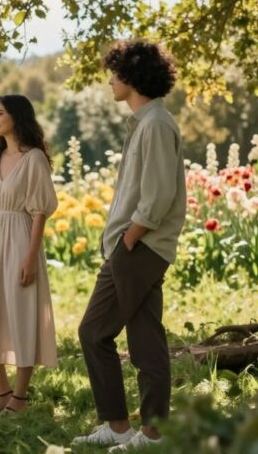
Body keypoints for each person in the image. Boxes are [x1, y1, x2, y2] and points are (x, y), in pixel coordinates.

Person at [73, 40, 187, 451]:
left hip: (140, 248)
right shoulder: (144, 122)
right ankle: (120, 426)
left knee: (140, 341)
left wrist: (128, 241)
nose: (109, 80)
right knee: (97, 332)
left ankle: (152, 433)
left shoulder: (156, 125)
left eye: (115, 73)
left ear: (133, 77)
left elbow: (156, 197)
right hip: (130, 248)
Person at [0, 95, 58, 414]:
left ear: (17, 116)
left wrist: (30, 257)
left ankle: (20, 397)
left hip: (20, 238)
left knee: (21, 314)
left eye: (0, 113)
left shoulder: (34, 159)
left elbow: (40, 212)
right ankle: (2, 391)